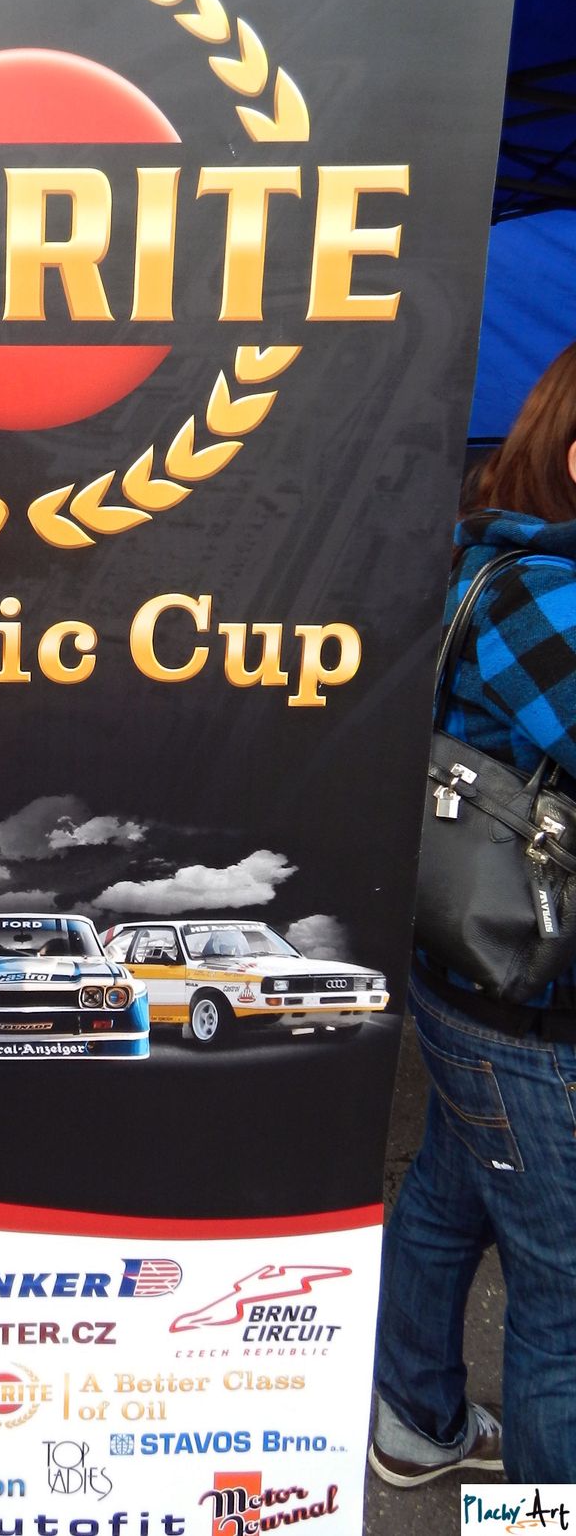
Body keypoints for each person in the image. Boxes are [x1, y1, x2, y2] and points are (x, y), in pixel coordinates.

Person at [370, 341, 576, 1489]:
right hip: (528, 1005)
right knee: (562, 1303)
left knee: (450, 1197)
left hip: (470, 970)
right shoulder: (546, 597)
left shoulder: (479, 557)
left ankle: (412, 1421)